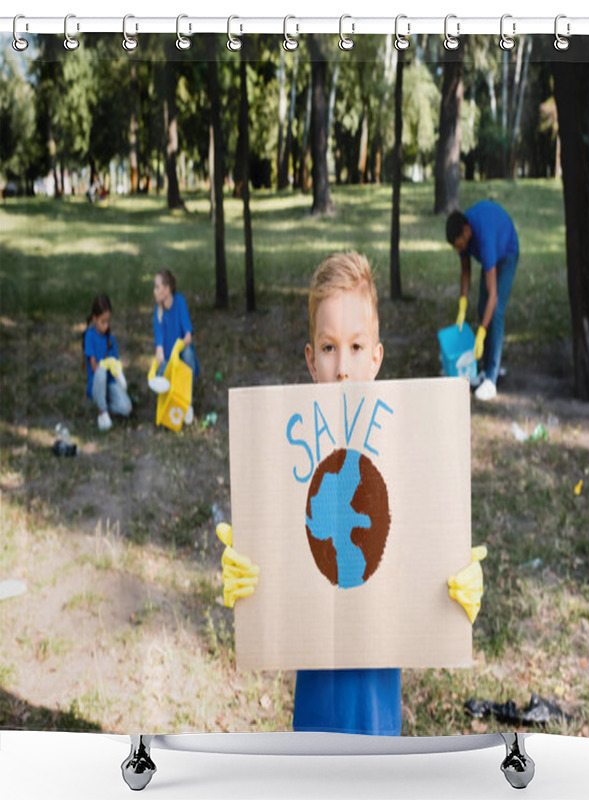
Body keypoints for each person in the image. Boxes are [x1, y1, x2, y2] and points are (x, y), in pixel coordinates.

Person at [216, 251, 486, 735]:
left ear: (377, 358)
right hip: (315, 717)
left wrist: (455, 584)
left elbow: (422, 539)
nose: (343, 367)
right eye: (328, 348)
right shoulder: (290, 465)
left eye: (357, 347)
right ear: (310, 361)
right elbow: (285, 563)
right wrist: (250, 572)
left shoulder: (403, 458)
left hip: (379, 712)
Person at [446, 200, 520, 401]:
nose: (458, 250)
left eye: (459, 245)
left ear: (467, 231)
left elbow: (493, 295)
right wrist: (462, 306)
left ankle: (491, 379)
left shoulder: (485, 239)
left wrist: (481, 332)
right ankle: (485, 368)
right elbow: (465, 271)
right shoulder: (463, 234)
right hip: (493, 250)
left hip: (507, 252)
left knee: (494, 311)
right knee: (481, 306)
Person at [152, 269, 198, 424]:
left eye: (157, 287)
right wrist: (160, 353)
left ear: (167, 289)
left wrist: (178, 347)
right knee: (161, 373)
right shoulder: (157, 313)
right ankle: (170, 401)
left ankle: (188, 403)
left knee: (188, 354)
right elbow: (159, 345)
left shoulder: (179, 302)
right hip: (169, 361)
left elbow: (188, 335)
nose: (154, 291)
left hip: (180, 355)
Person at [83, 294, 132, 431]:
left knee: (126, 408)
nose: (106, 325)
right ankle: (101, 411)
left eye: (108, 321)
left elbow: (115, 364)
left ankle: (105, 402)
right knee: (100, 371)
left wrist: (118, 367)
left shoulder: (111, 339)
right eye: (102, 321)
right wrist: (106, 363)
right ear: (94, 318)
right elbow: (94, 367)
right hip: (97, 383)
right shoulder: (90, 336)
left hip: (110, 384)